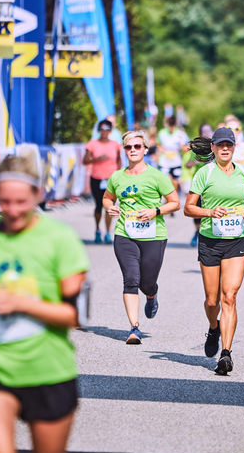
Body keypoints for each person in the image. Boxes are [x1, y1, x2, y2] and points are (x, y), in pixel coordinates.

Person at [0, 153, 89, 453]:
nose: (13, 211)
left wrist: (21, 303)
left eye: (21, 202)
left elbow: (74, 316)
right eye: (4, 202)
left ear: (38, 194)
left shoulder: (61, 240)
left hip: (48, 370)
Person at [184, 127, 244, 375]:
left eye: (229, 144)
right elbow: (188, 208)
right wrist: (209, 212)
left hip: (237, 240)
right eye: (220, 145)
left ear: (234, 147)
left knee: (230, 296)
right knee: (212, 299)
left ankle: (225, 353)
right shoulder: (204, 174)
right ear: (213, 148)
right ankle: (213, 327)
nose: (225, 148)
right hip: (210, 241)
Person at [103, 130, 181, 344]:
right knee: (130, 279)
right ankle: (134, 328)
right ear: (124, 150)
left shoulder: (157, 176)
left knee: (146, 282)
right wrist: (110, 207)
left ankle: (151, 294)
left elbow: (175, 203)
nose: (133, 150)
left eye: (137, 146)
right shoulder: (117, 177)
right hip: (124, 233)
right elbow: (107, 198)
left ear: (145, 149)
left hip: (153, 235)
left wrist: (155, 211)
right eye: (129, 147)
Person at [84, 119, 122, 244]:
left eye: (107, 130)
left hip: (111, 179)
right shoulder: (92, 144)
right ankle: (97, 230)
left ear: (110, 131)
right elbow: (85, 161)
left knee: (109, 206)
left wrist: (120, 174)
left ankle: (107, 232)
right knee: (98, 206)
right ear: (99, 130)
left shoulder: (115, 145)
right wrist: (96, 159)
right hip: (96, 178)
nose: (104, 132)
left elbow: (119, 161)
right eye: (102, 129)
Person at [185, 123, 214, 247]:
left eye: (209, 131)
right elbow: (188, 164)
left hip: (213, 182)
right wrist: (197, 160)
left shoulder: (216, 147)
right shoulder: (198, 148)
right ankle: (197, 231)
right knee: (196, 207)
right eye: (204, 131)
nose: (207, 133)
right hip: (199, 183)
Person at [157, 116, 189, 196]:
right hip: (164, 161)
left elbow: (187, 147)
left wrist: (182, 146)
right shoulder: (162, 133)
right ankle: (169, 199)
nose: (171, 127)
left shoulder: (180, 133)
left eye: (173, 125)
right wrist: (162, 150)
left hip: (176, 161)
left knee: (175, 181)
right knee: (166, 181)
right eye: (169, 125)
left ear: (175, 124)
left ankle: (173, 199)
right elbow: (158, 144)